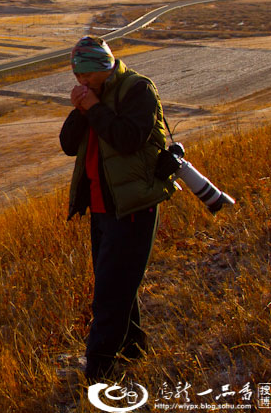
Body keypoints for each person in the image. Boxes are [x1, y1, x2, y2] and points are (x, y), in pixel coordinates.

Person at [59, 36, 176, 381]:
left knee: (110, 294)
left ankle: (98, 370)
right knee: (117, 284)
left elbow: (128, 140)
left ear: (104, 68)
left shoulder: (137, 90)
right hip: (101, 206)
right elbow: (68, 144)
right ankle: (133, 348)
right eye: (77, 77)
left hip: (134, 206)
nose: (82, 82)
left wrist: (94, 107)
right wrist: (83, 109)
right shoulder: (93, 96)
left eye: (87, 76)